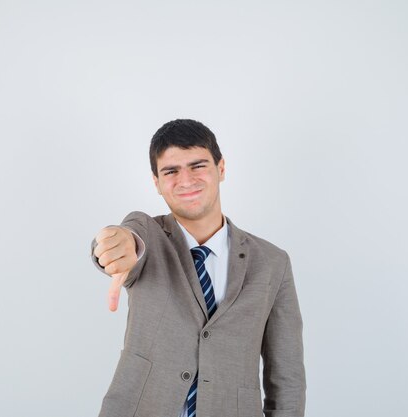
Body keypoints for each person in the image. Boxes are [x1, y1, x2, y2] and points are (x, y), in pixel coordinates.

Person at [90, 119, 306, 417]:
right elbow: (128, 236)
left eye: (198, 165)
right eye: (171, 171)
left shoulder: (272, 262)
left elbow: (287, 376)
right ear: (156, 183)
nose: (186, 180)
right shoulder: (148, 237)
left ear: (221, 168)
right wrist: (117, 246)